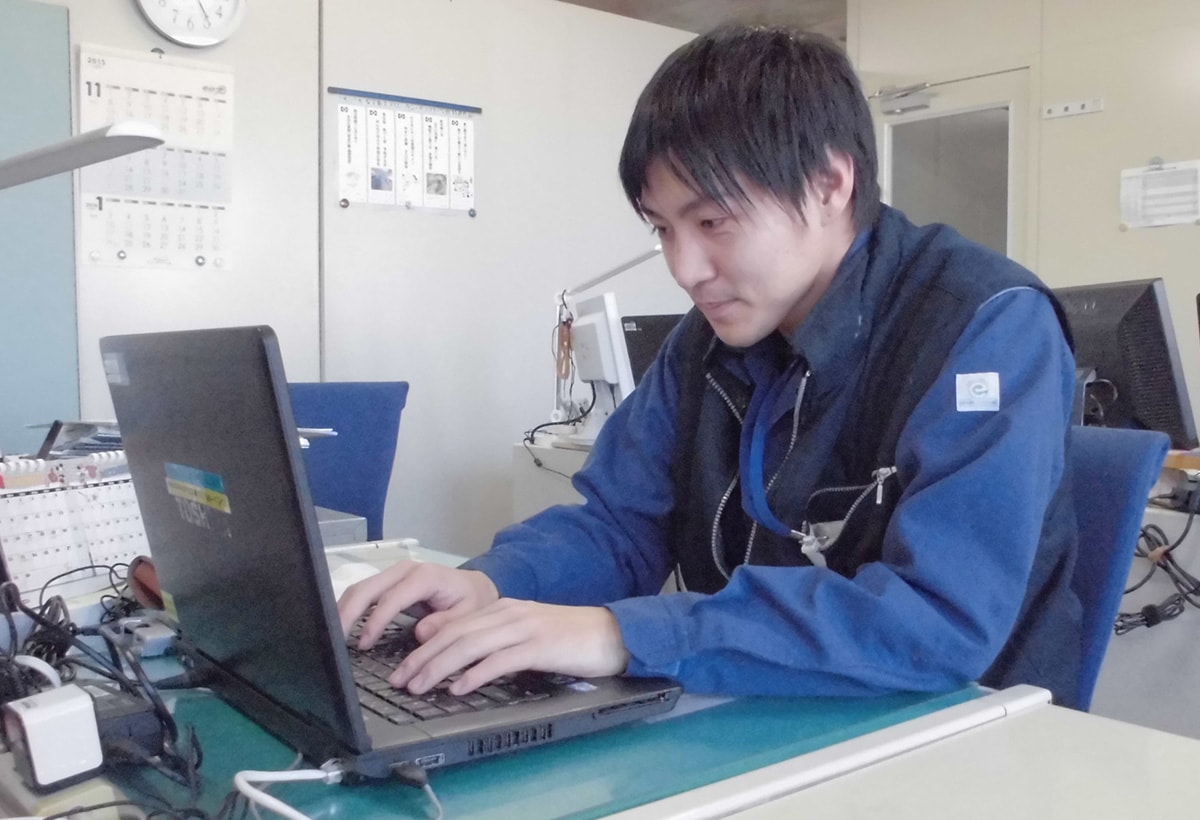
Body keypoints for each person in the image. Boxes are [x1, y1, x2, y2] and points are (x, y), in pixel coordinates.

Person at [339, 25, 1083, 706]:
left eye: (713, 222)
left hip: (960, 730)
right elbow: (619, 525)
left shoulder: (985, 326)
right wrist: (490, 584)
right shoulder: (706, 342)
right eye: (663, 229)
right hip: (765, 708)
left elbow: (935, 623)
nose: (684, 268)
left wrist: (626, 634)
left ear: (831, 184)